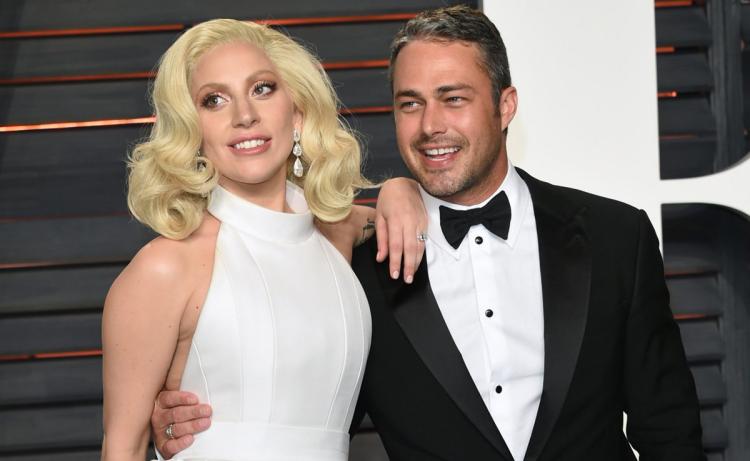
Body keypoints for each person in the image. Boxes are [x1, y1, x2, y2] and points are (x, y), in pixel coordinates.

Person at [151, 6, 705, 461]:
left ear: (505, 106)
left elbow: (669, 431)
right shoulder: (354, 268)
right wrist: (190, 424)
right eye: (410, 104)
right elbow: (307, 411)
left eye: (453, 98)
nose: (431, 125)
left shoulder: (616, 236)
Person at [101, 18, 426, 461]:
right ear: (193, 131)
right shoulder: (166, 267)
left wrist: (402, 188)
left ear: (297, 114)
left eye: (262, 89)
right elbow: (122, 448)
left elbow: (400, 218)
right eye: (214, 100)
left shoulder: (336, 235)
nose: (244, 116)